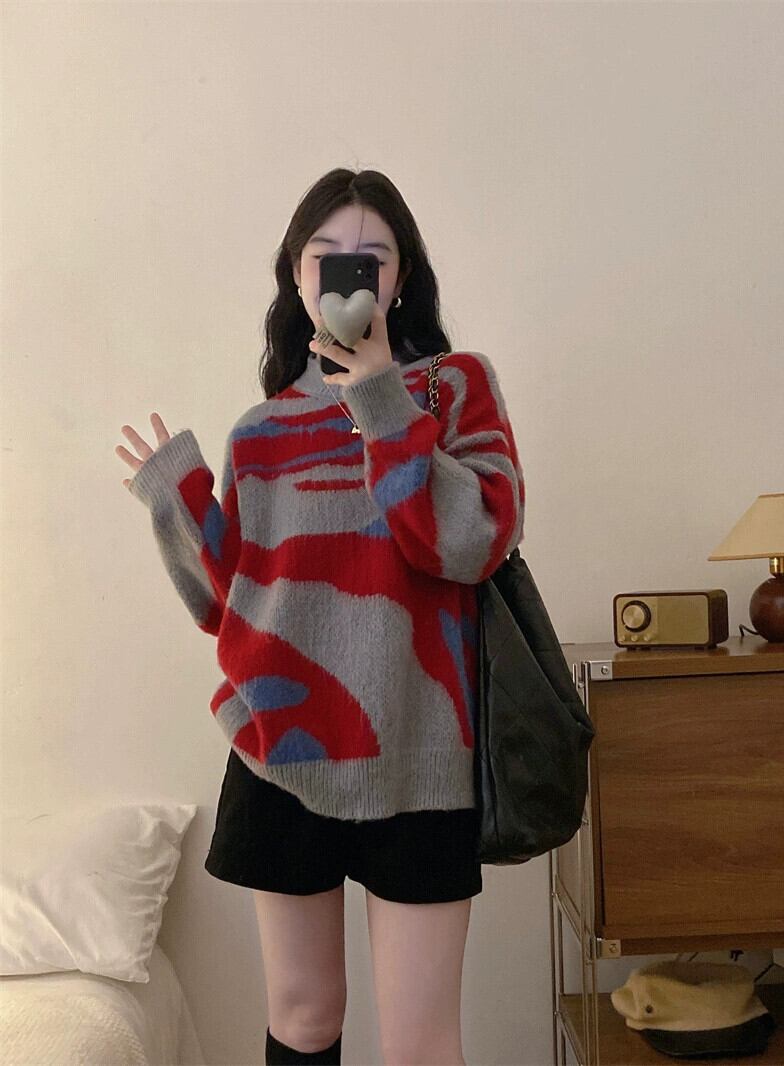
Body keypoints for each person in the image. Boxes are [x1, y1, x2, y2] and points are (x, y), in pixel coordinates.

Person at [114, 167, 526, 1066]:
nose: (348, 275)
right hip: (282, 750)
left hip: (421, 759)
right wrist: (176, 501)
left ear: (400, 277)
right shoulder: (260, 431)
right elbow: (231, 604)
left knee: (421, 1045)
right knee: (303, 1021)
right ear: (296, 278)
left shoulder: (454, 388)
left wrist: (380, 396)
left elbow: (471, 543)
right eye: (326, 257)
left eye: (371, 258)